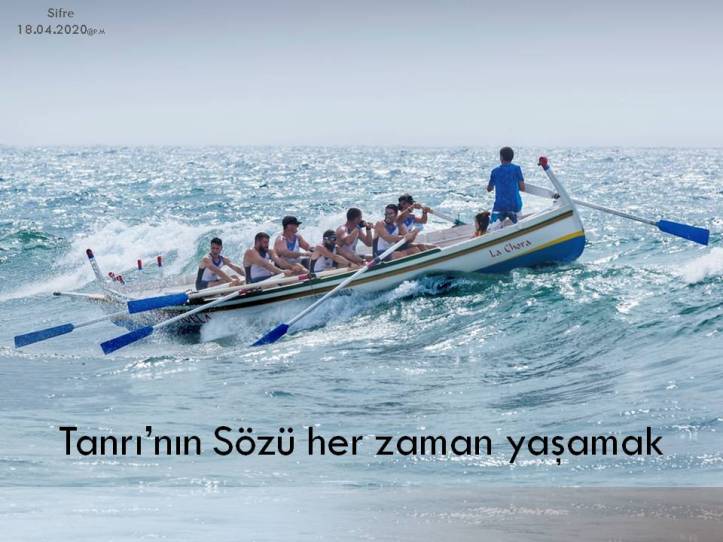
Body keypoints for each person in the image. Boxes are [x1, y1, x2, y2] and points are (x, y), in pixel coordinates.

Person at [486, 146, 526, 227]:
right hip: (515, 205)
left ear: (501, 157)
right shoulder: (516, 169)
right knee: (519, 225)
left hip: (500, 206)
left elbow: (489, 189)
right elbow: (522, 188)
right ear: (512, 157)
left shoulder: (495, 171)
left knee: (492, 228)